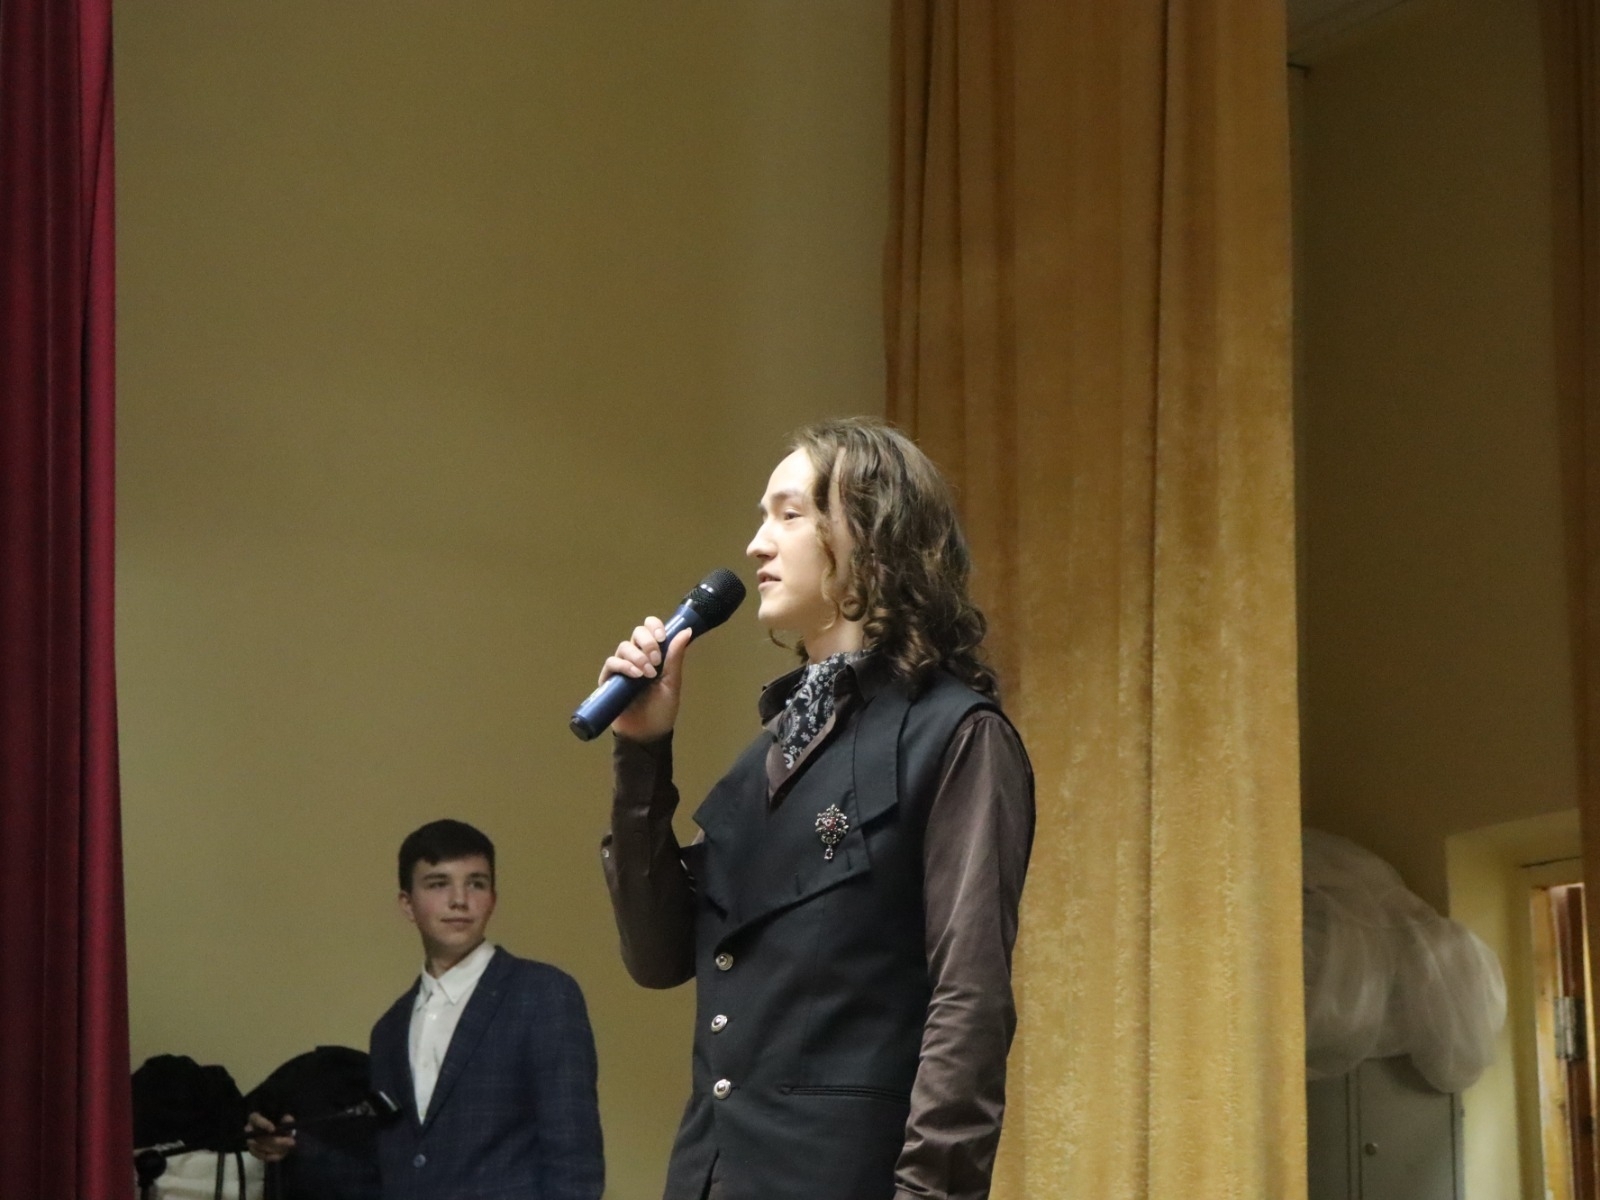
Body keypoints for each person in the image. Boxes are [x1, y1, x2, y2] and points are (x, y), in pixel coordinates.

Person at [598, 417, 1035, 1200]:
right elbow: (657, 956)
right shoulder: (764, 761)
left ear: (872, 537)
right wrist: (642, 750)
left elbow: (968, 1004)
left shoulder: (956, 734)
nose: (756, 544)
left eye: (788, 513)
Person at [247, 819, 604, 1200]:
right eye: (438, 884)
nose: (459, 900)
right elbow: (391, 1168)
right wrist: (291, 1145)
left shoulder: (542, 993)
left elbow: (575, 1159)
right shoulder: (390, 1029)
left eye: (476, 883)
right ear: (408, 904)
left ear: (493, 898)